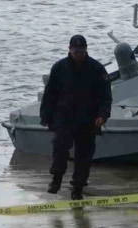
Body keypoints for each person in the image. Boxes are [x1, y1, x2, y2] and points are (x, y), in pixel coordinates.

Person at [40, 34, 112, 200]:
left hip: (88, 119)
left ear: (86, 50)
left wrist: (103, 115)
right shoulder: (59, 68)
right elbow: (49, 94)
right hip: (64, 117)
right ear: (70, 50)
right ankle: (56, 179)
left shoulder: (96, 69)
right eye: (76, 52)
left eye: (81, 51)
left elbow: (105, 96)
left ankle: (78, 188)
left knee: (84, 156)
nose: (79, 55)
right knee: (60, 149)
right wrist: (45, 116)